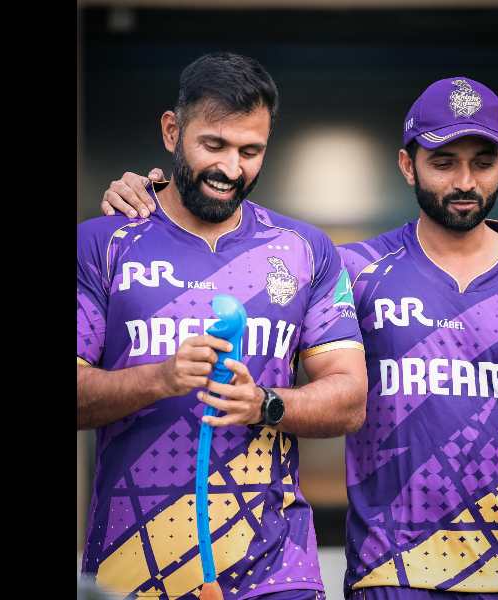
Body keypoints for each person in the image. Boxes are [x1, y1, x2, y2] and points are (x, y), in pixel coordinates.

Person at [103, 76, 498, 599]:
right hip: (391, 575)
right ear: (407, 165)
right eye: (443, 161)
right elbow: (228, 240)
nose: (464, 181)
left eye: (482, 162)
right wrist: (150, 195)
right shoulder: (353, 270)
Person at [78, 52, 368, 600]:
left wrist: (266, 404)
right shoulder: (103, 243)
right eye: (214, 145)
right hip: (134, 568)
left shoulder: (305, 250)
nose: (231, 169)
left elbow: (350, 398)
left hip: (277, 572)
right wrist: (160, 378)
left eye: (250, 151)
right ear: (172, 130)